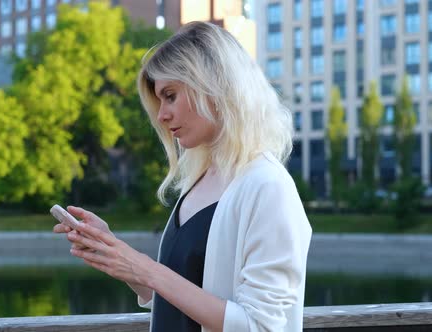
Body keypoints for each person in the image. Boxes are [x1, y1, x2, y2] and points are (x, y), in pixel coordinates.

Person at [53, 21, 312, 332]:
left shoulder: (268, 187)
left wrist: (147, 270)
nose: (162, 115)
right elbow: (181, 299)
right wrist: (120, 259)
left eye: (170, 95)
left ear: (213, 86)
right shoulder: (199, 182)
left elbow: (261, 326)